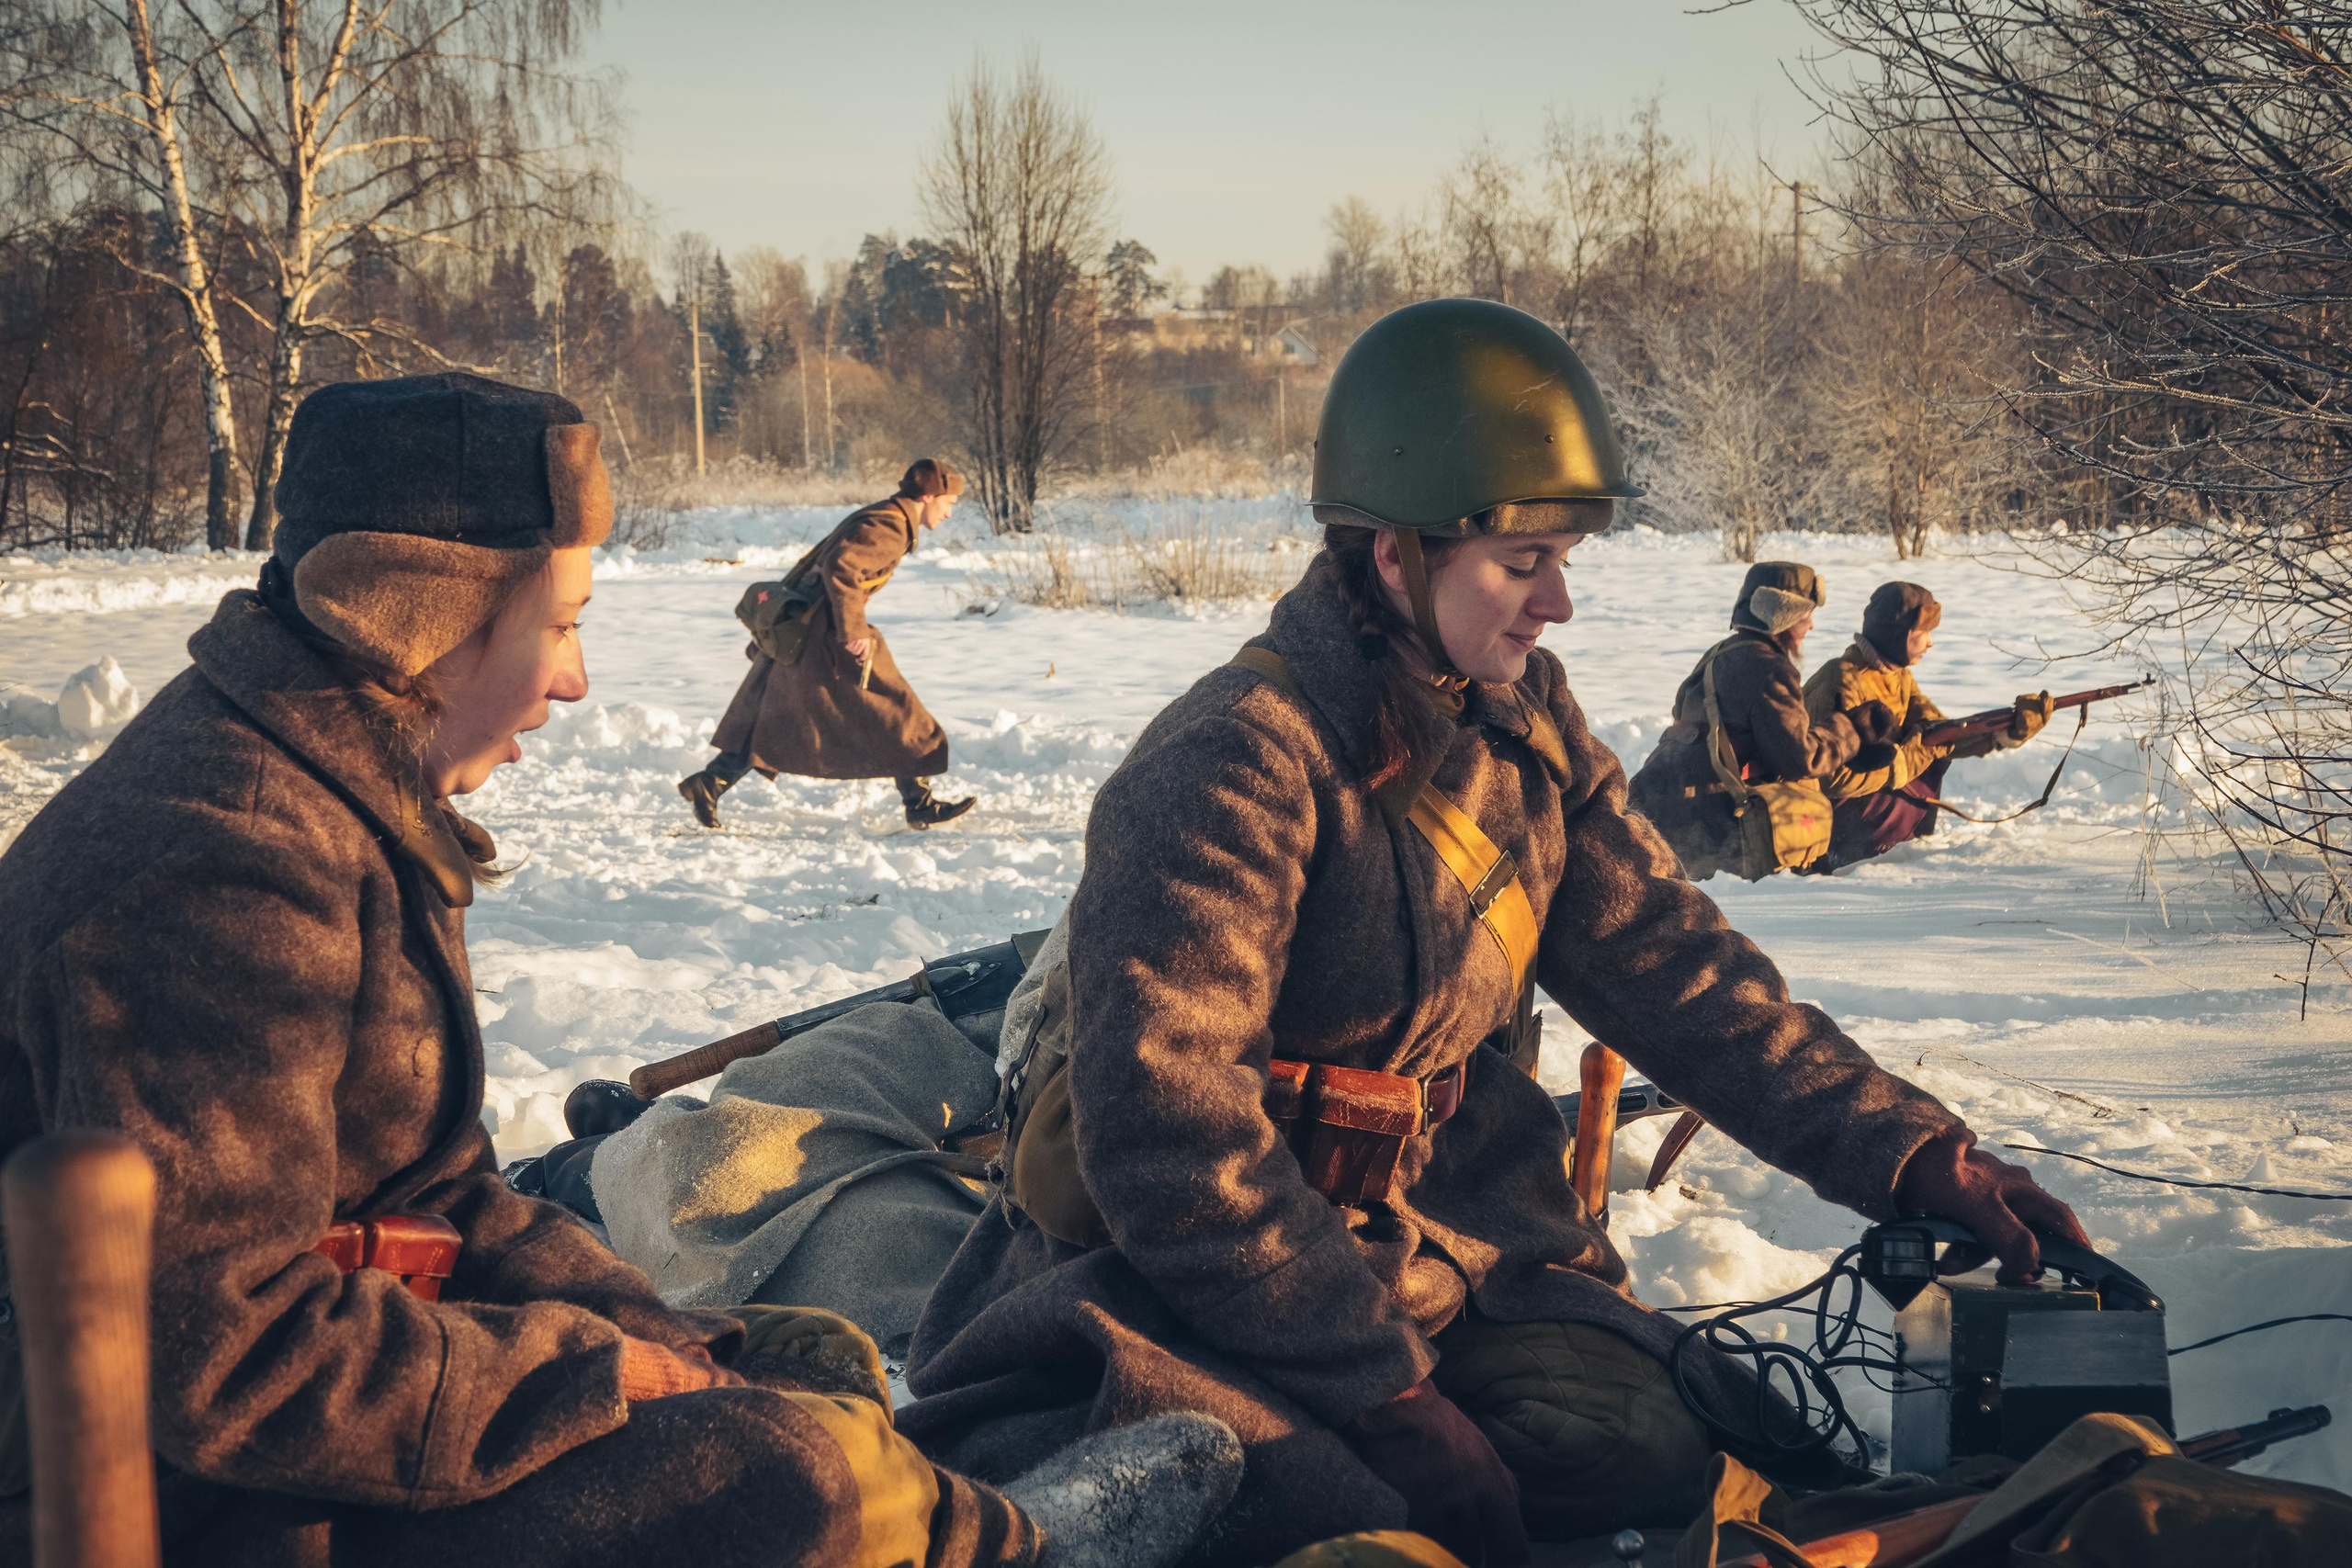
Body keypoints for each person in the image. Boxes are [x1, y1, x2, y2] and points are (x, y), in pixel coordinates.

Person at [897, 300, 2089, 1567]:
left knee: (1657, 1444)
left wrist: (1913, 1153)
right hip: (1203, 1278)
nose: (1558, 602)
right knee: (1343, 1514)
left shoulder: (1529, 723)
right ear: (1393, 554)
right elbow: (1169, 1130)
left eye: (1564, 558)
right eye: (1522, 564)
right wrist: (1392, 1401)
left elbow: (1673, 965)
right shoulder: (1231, 762)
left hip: (1458, 1242)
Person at [0, 375, 1114, 1568]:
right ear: (422, 620)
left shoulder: (338, 791)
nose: (577, 679)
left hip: (326, 1408)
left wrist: (655, 1331)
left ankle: (996, 1530)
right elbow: (232, 1363)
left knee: (792, 1360)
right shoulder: (225, 877)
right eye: (564, 622)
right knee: (790, 1478)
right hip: (190, 1497)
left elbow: (440, 1190)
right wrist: (587, 1370)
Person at [680, 459, 975, 831]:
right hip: (827, 633)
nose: (949, 512)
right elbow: (842, 569)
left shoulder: (886, 516)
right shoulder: (889, 524)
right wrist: (853, 633)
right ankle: (919, 803)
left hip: (814, 629)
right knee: (897, 709)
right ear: (929, 495)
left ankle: (710, 783)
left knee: (774, 714)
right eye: (949, 502)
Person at [1626, 563, 1901, 881]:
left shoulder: (1719, 653)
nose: (1810, 625)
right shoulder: (1770, 669)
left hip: (1659, 805)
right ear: (1782, 614)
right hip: (1707, 822)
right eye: (1806, 614)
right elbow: (1801, 758)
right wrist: (1853, 731)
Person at [1801, 581, 2052, 873]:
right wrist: (1902, 763)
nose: (1930, 642)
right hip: (1822, 818)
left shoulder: (1897, 676)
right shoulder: (1843, 679)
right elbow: (1831, 779)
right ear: (1896, 634)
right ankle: (1856, 859)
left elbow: (1944, 733)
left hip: (1859, 811)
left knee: (1931, 747)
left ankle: (1905, 848)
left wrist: (2007, 731)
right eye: (1922, 633)